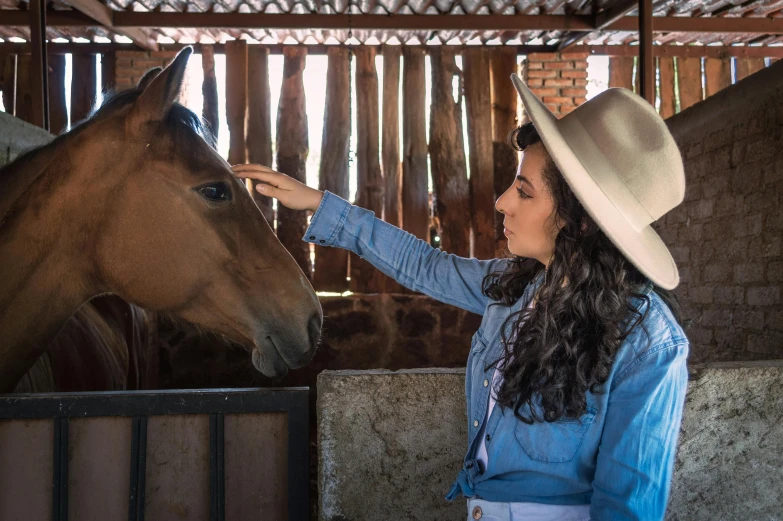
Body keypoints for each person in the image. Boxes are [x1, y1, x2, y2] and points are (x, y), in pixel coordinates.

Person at [233, 73, 692, 521]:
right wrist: (320, 203)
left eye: (524, 192)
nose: (502, 202)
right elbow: (427, 267)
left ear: (580, 221)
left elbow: (628, 507)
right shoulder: (520, 288)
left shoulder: (649, 344)